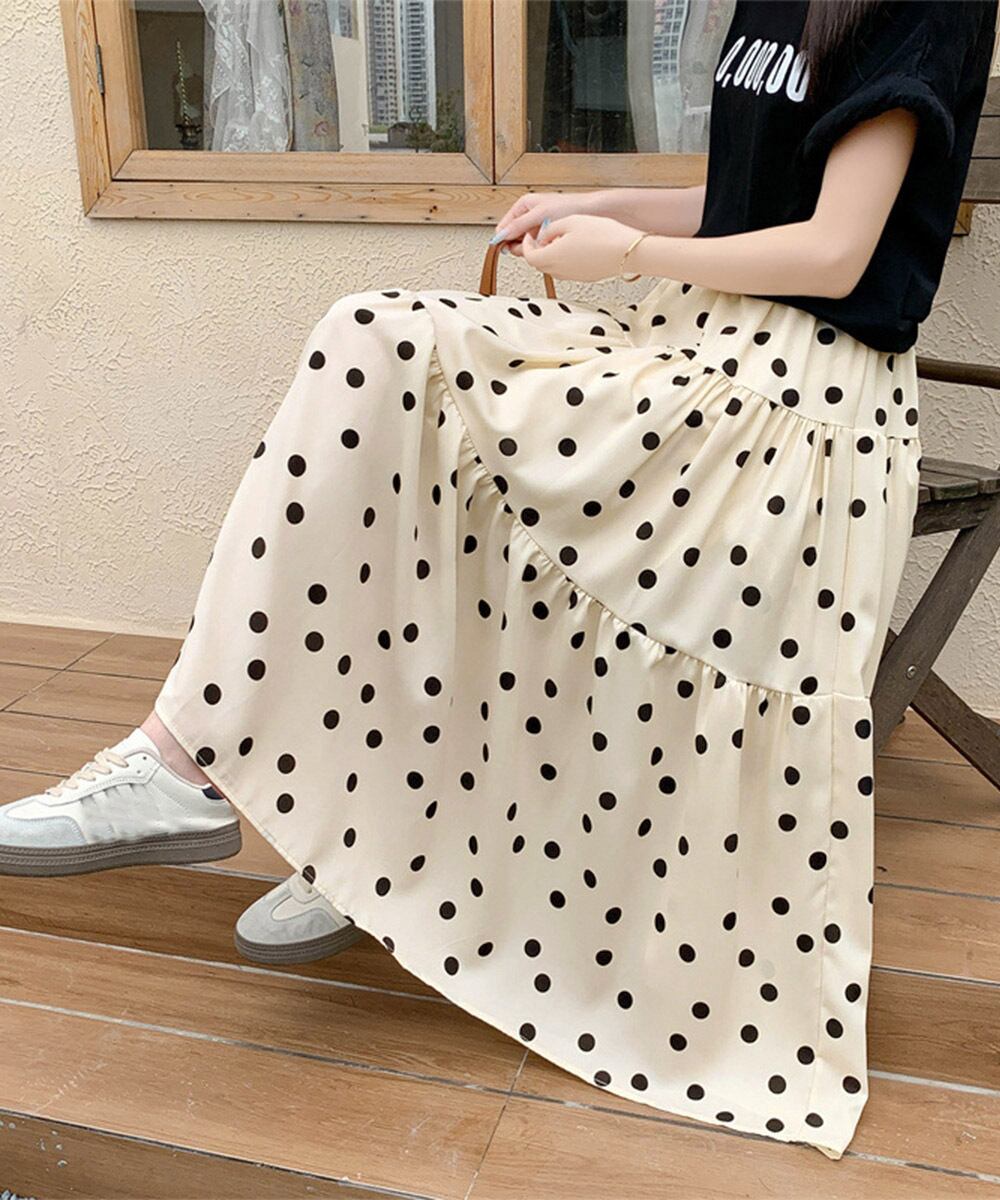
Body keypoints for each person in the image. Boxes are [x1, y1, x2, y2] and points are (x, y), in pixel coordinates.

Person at [2, 0, 996, 1161]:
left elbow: (834, 252)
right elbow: (750, 201)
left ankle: (328, 825)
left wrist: (625, 254)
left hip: (798, 411)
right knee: (381, 356)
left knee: (411, 380)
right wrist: (602, 208)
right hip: (700, 347)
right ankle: (267, 794)